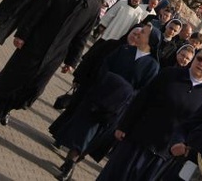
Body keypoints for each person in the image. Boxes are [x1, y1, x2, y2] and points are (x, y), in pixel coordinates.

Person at [0, 0, 105, 134]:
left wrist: (71, 61)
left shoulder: (93, 7)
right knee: (13, 81)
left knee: (34, 89)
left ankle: (7, 110)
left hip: (55, 55)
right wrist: (22, 35)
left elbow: (82, 37)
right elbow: (36, 11)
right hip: (35, 44)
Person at [52, 24, 162, 181]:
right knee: (83, 133)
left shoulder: (153, 66)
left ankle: (72, 162)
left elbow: (143, 91)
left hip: (117, 109)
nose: (139, 33)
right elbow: (105, 66)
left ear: (150, 40)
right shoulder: (125, 50)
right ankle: (69, 165)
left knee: (94, 140)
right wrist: (108, 81)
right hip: (98, 98)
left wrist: (124, 92)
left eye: (144, 33)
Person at [96, 49, 202, 181]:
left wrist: (183, 148)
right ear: (194, 59)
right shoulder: (169, 74)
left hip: (162, 156)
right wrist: (123, 126)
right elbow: (142, 99)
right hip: (137, 140)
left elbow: (197, 130)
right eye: (200, 59)